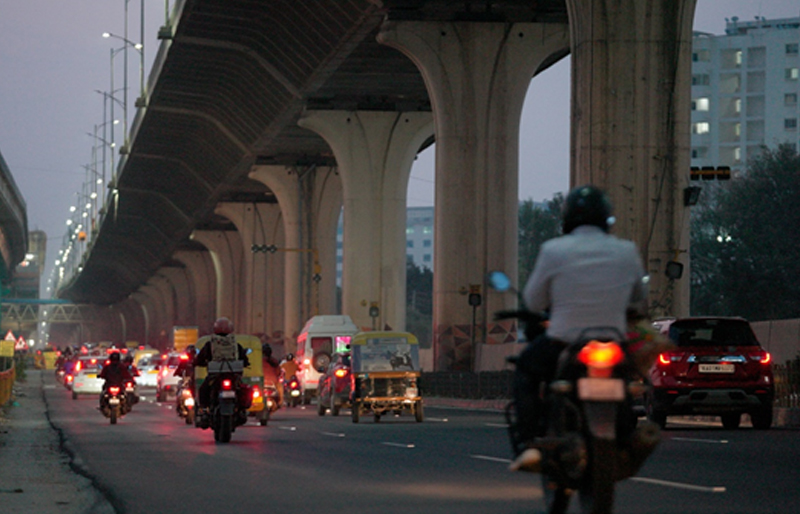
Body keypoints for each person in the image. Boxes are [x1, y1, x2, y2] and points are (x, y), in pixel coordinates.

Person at [510, 185, 648, 472]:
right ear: (606, 219)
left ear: (567, 218)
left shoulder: (554, 250)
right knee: (631, 381)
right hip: (613, 341)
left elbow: (534, 300)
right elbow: (638, 297)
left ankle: (528, 443)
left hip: (564, 342)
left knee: (525, 370)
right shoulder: (626, 250)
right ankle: (629, 438)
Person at [193, 318, 251, 423]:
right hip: (233, 375)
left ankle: (205, 411)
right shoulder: (235, 345)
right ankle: (242, 410)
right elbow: (244, 359)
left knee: (203, 389)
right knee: (242, 388)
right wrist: (245, 363)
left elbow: (200, 359)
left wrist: (196, 363)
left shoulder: (209, 344)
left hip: (215, 375)